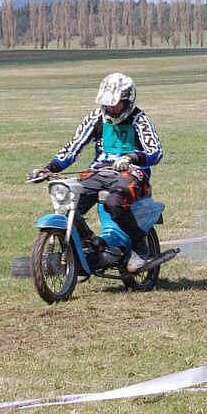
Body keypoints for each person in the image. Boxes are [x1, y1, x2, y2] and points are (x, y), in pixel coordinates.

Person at [28, 72, 163, 272]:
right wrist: (49, 169)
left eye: (115, 104)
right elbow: (72, 148)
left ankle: (140, 249)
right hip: (99, 173)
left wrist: (131, 158)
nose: (111, 108)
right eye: (107, 103)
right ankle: (90, 247)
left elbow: (156, 152)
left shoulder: (139, 120)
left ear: (127, 101)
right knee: (67, 201)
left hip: (133, 174)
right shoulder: (95, 118)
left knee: (115, 201)